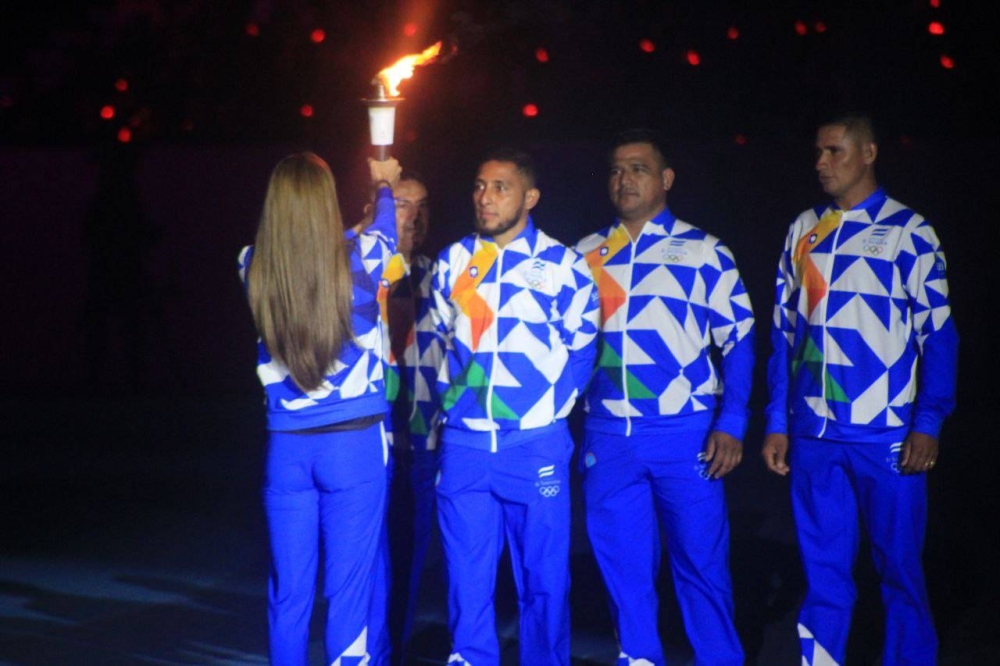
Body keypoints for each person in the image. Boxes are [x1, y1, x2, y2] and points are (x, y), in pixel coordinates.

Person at [762, 114, 958, 665]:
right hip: (815, 434)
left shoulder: (909, 231)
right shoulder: (805, 229)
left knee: (899, 571)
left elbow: (938, 334)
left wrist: (928, 422)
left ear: (868, 152)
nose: (821, 162)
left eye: (834, 151)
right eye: (818, 152)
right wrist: (777, 420)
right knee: (822, 573)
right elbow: (785, 335)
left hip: (886, 433)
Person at [575, 128, 754, 665]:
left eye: (638, 169)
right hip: (608, 437)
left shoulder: (705, 251)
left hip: (687, 435)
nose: (624, 179)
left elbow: (740, 341)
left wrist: (733, 422)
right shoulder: (583, 255)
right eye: (616, 169)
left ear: (666, 179)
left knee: (702, 568)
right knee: (624, 574)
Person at [430, 147, 599, 665]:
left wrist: (545, 413)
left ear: (530, 197)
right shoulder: (453, 261)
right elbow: (440, 342)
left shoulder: (564, 265)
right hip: (464, 446)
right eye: (480, 186)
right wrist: (455, 413)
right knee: (466, 582)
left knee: (544, 579)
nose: (485, 197)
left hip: (534, 445)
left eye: (500, 187)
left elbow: (584, 346)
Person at [238, 152, 402, 665]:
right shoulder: (369, 252)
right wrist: (385, 187)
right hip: (352, 446)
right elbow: (387, 232)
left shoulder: (251, 264)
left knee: (290, 597)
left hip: (287, 452)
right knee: (349, 599)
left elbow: (314, 263)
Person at [369, 171, 441, 665]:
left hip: (427, 445)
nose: (412, 215)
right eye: (401, 204)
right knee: (374, 560)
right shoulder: (361, 273)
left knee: (414, 558)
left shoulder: (447, 275)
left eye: (421, 205)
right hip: (372, 443)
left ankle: (395, 650)